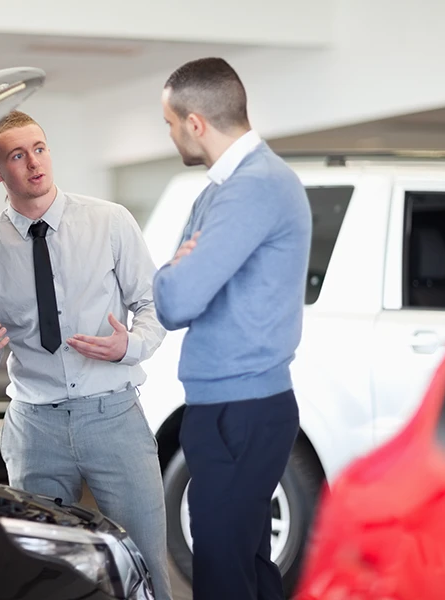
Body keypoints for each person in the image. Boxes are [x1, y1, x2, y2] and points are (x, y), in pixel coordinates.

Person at [0, 110, 171, 599]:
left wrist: (130, 346)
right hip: (36, 428)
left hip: (113, 415)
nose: (34, 163)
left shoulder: (110, 221)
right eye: (17, 155)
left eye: (40, 148)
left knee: (145, 561)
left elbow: (153, 304)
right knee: (40, 570)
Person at [153, 58, 312, 600]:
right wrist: (179, 270)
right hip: (229, 408)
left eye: (170, 123)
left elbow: (178, 300)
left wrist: (174, 271)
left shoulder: (254, 188)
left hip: (240, 412)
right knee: (245, 566)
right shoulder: (220, 190)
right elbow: (181, 285)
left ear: (195, 122)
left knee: (223, 574)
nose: (170, 133)